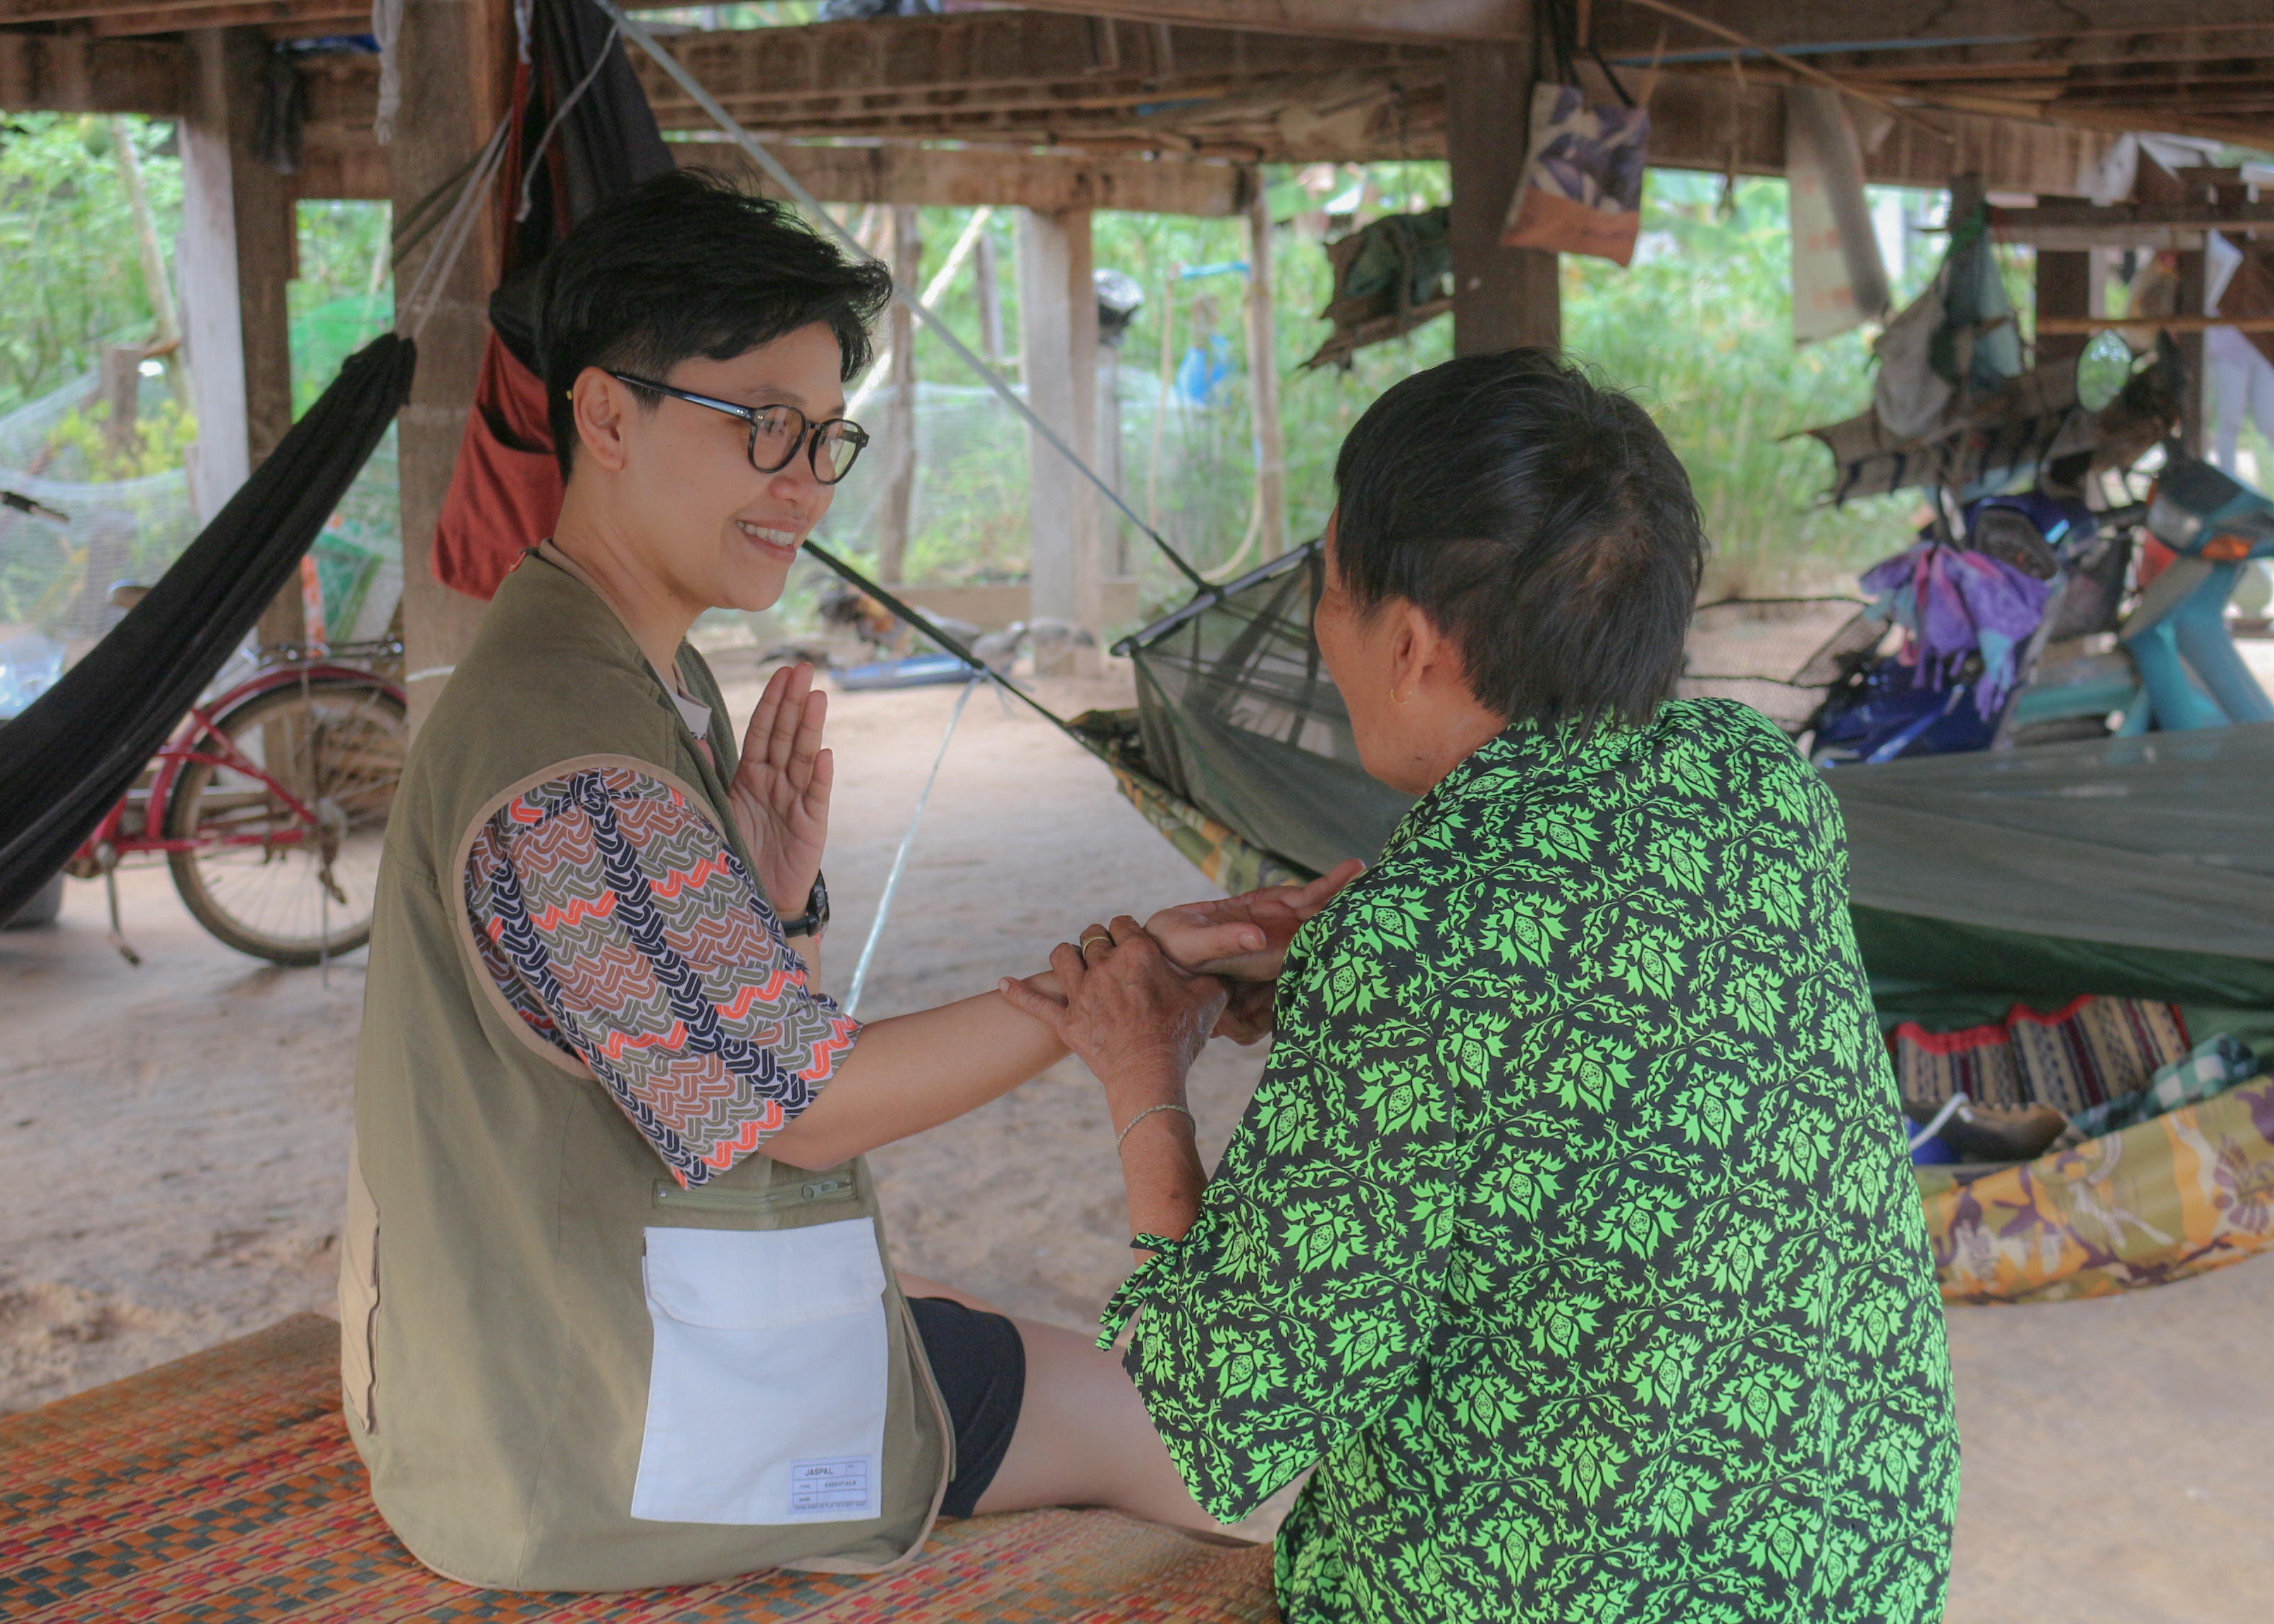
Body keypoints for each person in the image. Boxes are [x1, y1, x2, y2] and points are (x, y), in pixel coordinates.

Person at [343, 169, 1243, 1592]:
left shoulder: (620, 672)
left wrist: (770, 908)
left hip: (545, 1370)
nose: (806, 483)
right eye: (763, 425)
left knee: (955, 1317)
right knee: (1189, 1442)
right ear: (606, 417)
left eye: (827, 437)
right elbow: (804, 1116)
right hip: (595, 1441)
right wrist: (1099, 1001)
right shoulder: (576, 765)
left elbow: (735, 1062)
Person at [1002, 350, 1961, 1623]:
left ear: (1410, 644)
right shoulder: (1754, 780)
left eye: (1328, 592)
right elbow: (1599, 1019)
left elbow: (1211, 1416)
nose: (1322, 632)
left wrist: (1143, 1076)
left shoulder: (1415, 943)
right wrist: (1339, 982)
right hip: (1864, 1566)